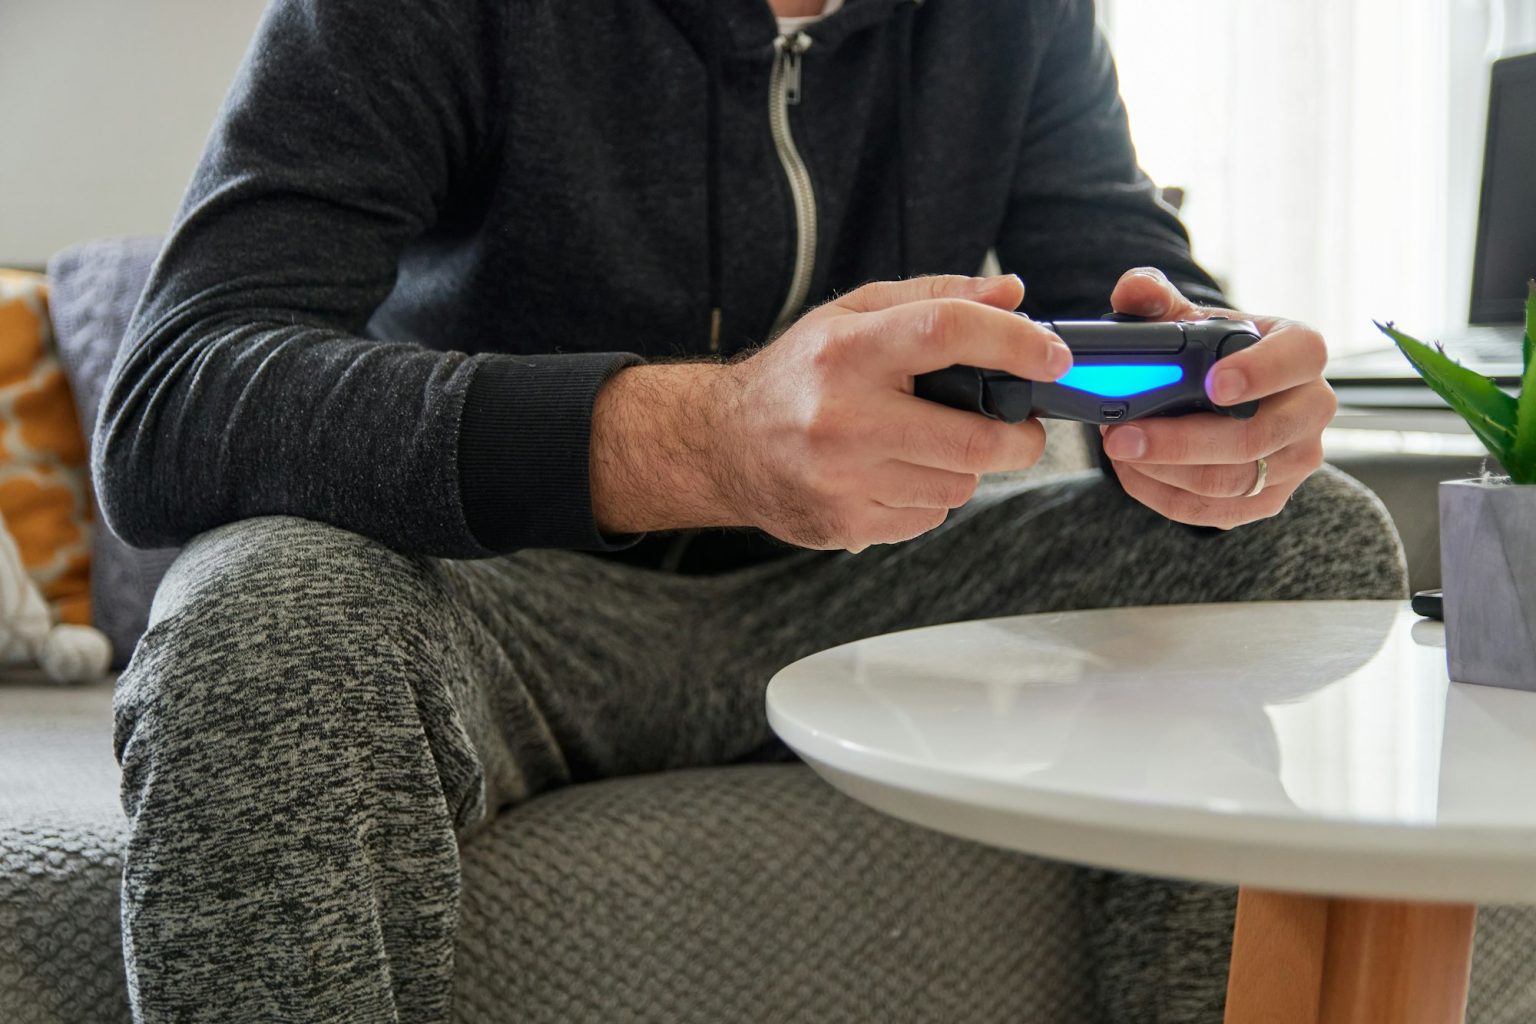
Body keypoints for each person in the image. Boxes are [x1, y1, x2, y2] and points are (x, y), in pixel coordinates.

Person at [98, 0, 1407, 1020]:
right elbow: (173, 400)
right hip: (499, 609)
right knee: (260, 622)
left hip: (873, 608)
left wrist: (1215, 401)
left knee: (1307, 534)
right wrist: (701, 440)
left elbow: (1121, 277)